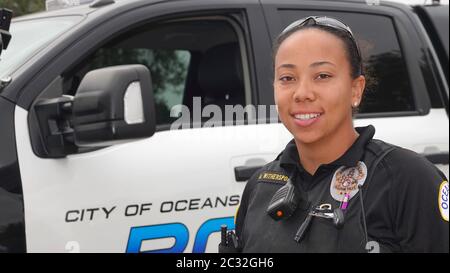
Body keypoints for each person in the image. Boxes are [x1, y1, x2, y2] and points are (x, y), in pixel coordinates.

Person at [234, 16, 449, 253]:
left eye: (322, 76)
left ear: (356, 89)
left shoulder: (407, 179)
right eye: (287, 78)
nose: (302, 93)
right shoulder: (259, 186)